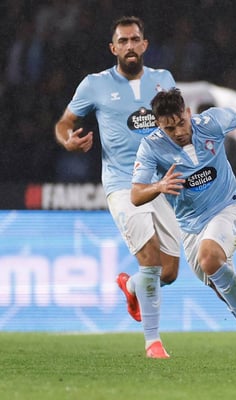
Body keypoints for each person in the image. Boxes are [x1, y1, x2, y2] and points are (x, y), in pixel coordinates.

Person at [130, 87, 236, 368]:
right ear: (158, 125)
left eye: (181, 122)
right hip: (191, 227)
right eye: (169, 128)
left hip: (228, 209)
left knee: (209, 258)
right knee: (224, 287)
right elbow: (136, 195)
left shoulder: (212, 122)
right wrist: (159, 186)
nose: (178, 131)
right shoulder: (151, 147)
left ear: (188, 112)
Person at [54, 16, 180, 358]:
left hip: (161, 182)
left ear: (145, 45)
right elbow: (65, 122)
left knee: (169, 271)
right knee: (150, 257)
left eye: (135, 39)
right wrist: (68, 140)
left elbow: (179, 122)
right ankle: (153, 342)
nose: (129, 46)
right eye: (122, 41)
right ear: (113, 48)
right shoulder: (94, 85)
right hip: (123, 184)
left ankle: (132, 285)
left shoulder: (164, 80)